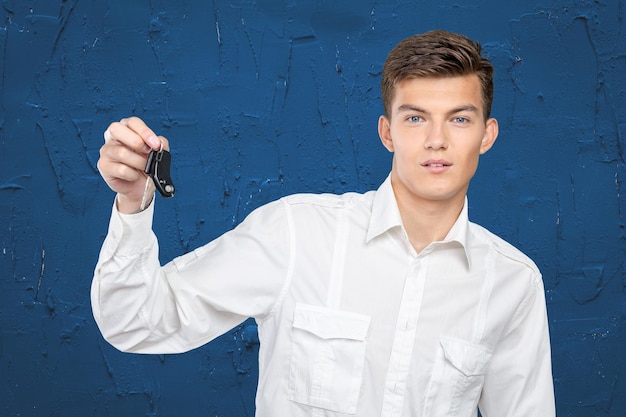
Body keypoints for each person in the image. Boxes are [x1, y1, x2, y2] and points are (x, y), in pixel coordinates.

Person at [92, 30, 555, 416]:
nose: (436, 140)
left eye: (458, 119)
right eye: (416, 118)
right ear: (387, 132)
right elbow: (135, 322)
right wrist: (133, 203)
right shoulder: (295, 234)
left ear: (486, 135)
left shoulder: (512, 282)